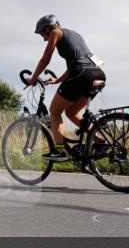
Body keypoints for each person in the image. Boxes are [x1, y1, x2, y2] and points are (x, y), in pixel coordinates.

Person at [24, 14, 106, 162]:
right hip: (96, 74)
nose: (44, 39)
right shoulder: (74, 34)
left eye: (43, 34)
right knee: (71, 112)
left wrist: (33, 78)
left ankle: (59, 151)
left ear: (49, 28)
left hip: (81, 75)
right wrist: (57, 81)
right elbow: (76, 64)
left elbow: (45, 59)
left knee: (54, 111)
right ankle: (100, 141)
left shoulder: (56, 32)